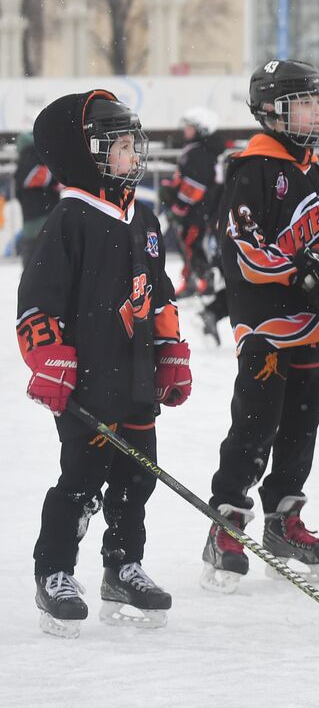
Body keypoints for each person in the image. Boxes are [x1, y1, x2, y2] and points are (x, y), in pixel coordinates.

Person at [18, 91, 193, 637]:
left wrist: (171, 351)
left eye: (130, 144)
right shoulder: (70, 219)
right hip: (87, 384)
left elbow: (159, 295)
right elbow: (37, 303)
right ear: (84, 154)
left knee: (136, 479)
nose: (130, 155)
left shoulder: (145, 219)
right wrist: (49, 359)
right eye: (117, 146)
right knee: (81, 481)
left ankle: (122, 566)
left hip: (136, 378)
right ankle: (55, 572)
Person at [201, 60, 319, 593]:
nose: (316, 112)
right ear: (272, 111)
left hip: (313, 329)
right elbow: (245, 251)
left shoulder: (317, 175)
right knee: (256, 424)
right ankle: (226, 523)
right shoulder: (251, 169)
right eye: (305, 102)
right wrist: (302, 275)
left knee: (302, 428)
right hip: (267, 328)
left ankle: (283, 518)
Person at [160, 106, 231, 340]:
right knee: (190, 244)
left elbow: (195, 187)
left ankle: (203, 279)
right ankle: (194, 278)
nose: (186, 131)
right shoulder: (200, 151)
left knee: (193, 244)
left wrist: (178, 206)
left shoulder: (200, 153)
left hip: (198, 213)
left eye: (190, 127)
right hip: (201, 211)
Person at [14, 121, 62, 271]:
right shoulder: (31, 153)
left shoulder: (29, 155)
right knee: (42, 268)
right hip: (39, 222)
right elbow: (35, 176)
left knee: (35, 270)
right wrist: (56, 177)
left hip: (37, 221)